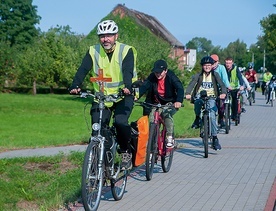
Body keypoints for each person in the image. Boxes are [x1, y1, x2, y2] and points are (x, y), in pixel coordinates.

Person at [69, 20, 137, 170]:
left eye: (109, 35)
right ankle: (101, 163)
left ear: (116, 36)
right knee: (97, 130)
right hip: (101, 98)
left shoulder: (126, 50)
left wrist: (127, 87)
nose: (105, 39)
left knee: (120, 122)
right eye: (102, 36)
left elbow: (128, 71)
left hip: (122, 96)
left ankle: (126, 152)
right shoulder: (93, 51)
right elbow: (83, 69)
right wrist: (75, 84)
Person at [138, 59, 184, 148]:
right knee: (152, 118)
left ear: (165, 71)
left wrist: (178, 101)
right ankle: (153, 142)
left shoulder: (171, 76)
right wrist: (136, 96)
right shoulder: (152, 77)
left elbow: (180, 88)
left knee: (166, 114)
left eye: (160, 72)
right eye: (156, 72)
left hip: (170, 102)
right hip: (156, 103)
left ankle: (169, 136)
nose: (158, 74)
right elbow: (144, 86)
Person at [185, 56, 227, 151]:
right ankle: (197, 119)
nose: (207, 67)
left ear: (212, 66)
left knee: (212, 115)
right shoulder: (198, 75)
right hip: (200, 96)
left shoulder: (215, 75)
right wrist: (188, 93)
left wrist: (223, 93)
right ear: (202, 66)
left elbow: (222, 84)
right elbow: (192, 84)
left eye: (209, 65)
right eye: (205, 65)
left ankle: (215, 138)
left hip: (212, 97)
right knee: (197, 104)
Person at [211, 54, 231, 128]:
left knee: (221, 104)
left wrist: (228, 86)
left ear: (217, 62)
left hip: (221, 88)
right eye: (211, 62)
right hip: (212, 89)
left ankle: (221, 118)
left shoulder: (221, 68)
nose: (213, 64)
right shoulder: (208, 68)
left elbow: (225, 78)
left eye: (214, 62)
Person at [224, 57, 244, 121]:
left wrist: (241, 85)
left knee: (235, 100)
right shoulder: (223, 68)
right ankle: (221, 117)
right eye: (227, 63)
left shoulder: (236, 68)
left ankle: (234, 115)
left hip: (234, 88)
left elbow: (240, 77)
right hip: (225, 87)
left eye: (229, 63)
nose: (228, 65)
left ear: (232, 63)